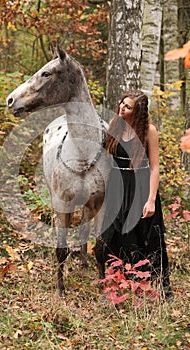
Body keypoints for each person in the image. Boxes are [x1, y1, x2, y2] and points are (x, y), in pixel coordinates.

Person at [95, 89, 172, 299]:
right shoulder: (115, 126)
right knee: (112, 234)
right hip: (116, 185)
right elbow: (101, 156)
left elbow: (155, 167)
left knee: (142, 236)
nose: (121, 107)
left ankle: (145, 285)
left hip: (140, 187)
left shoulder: (149, 131)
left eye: (127, 106)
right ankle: (114, 284)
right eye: (122, 103)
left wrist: (151, 200)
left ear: (137, 111)